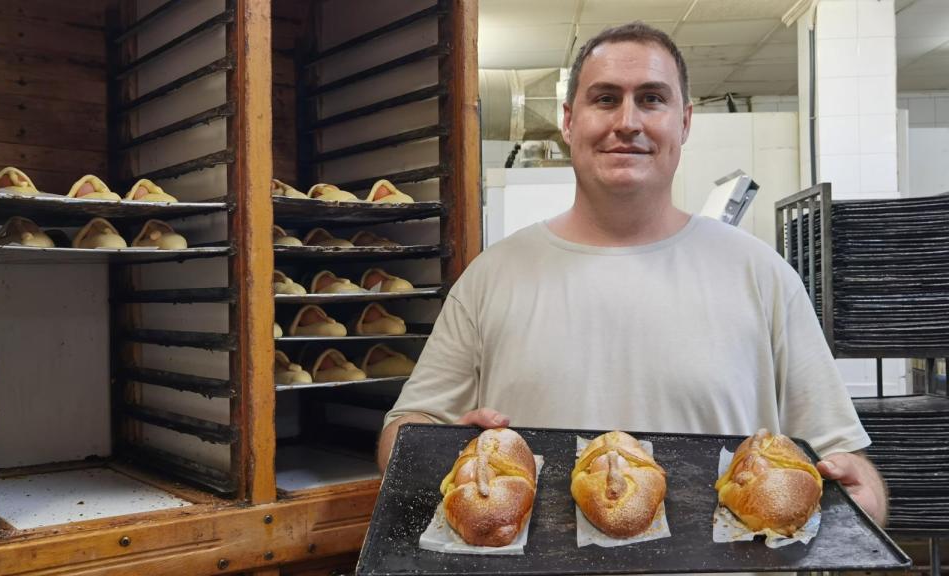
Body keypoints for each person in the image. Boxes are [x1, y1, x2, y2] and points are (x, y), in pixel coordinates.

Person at [378, 22, 886, 524]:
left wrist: (864, 502)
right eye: (604, 99)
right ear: (568, 120)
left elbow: (845, 463)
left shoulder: (762, 275)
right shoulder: (493, 276)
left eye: (651, 99)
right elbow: (402, 429)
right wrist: (432, 450)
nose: (627, 121)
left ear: (683, 121)